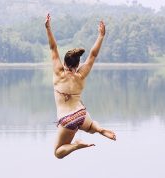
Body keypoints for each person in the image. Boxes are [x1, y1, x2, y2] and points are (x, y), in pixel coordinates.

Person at [45, 13, 116, 159]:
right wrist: (101, 36)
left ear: (64, 63)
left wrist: (48, 28)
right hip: (81, 115)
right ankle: (100, 129)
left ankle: (77, 145)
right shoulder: (81, 75)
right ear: (78, 65)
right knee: (89, 128)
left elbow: (53, 48)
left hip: (67, 119)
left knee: (58, 153)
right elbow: (92, 55)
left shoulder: (59, 73)